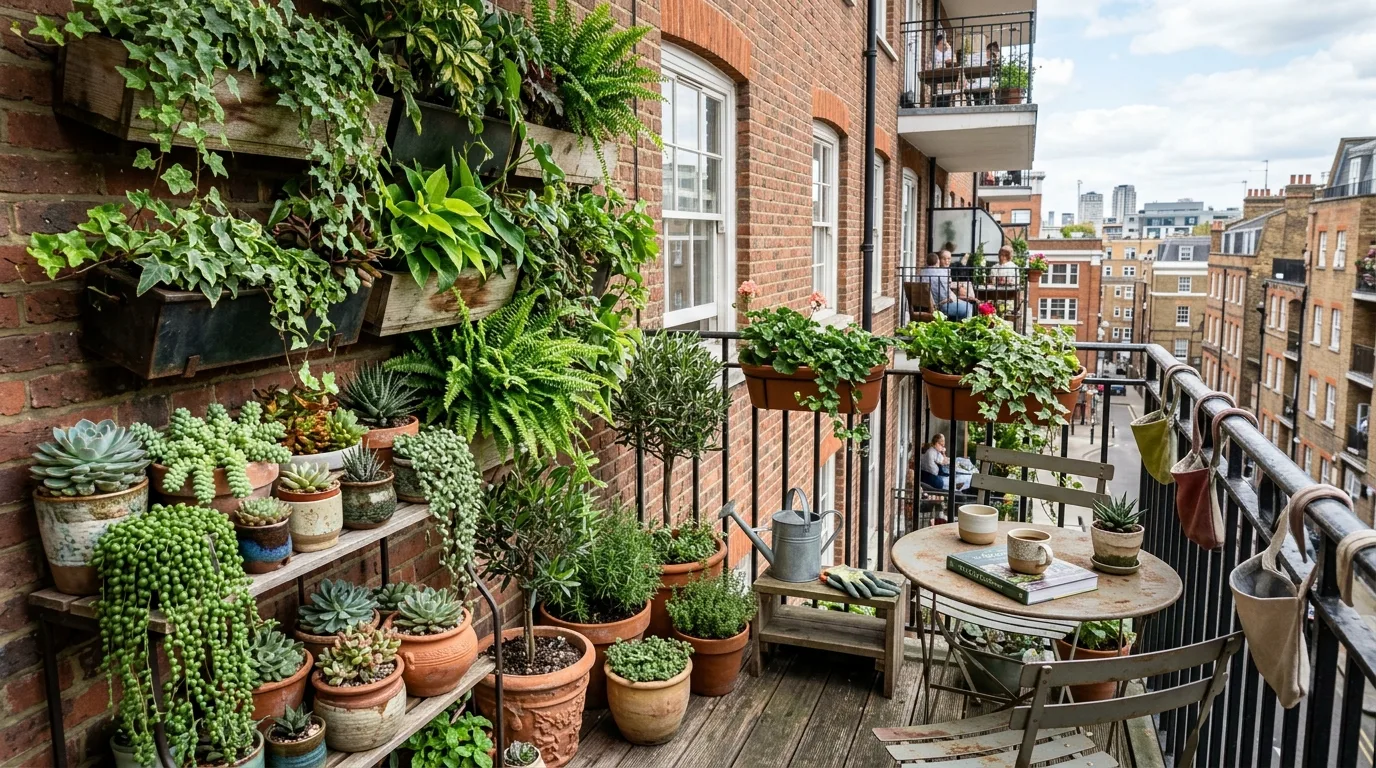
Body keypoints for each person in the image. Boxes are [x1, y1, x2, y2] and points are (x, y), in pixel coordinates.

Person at [919, 251, 975, 320]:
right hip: (940, 307)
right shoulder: (942, 274)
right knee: (968, 307)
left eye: (949, 258)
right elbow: (946, 296)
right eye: (944, 259)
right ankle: (964, 328)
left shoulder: (920, 274)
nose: (947, 261)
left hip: (923, 307)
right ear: (938, 261)